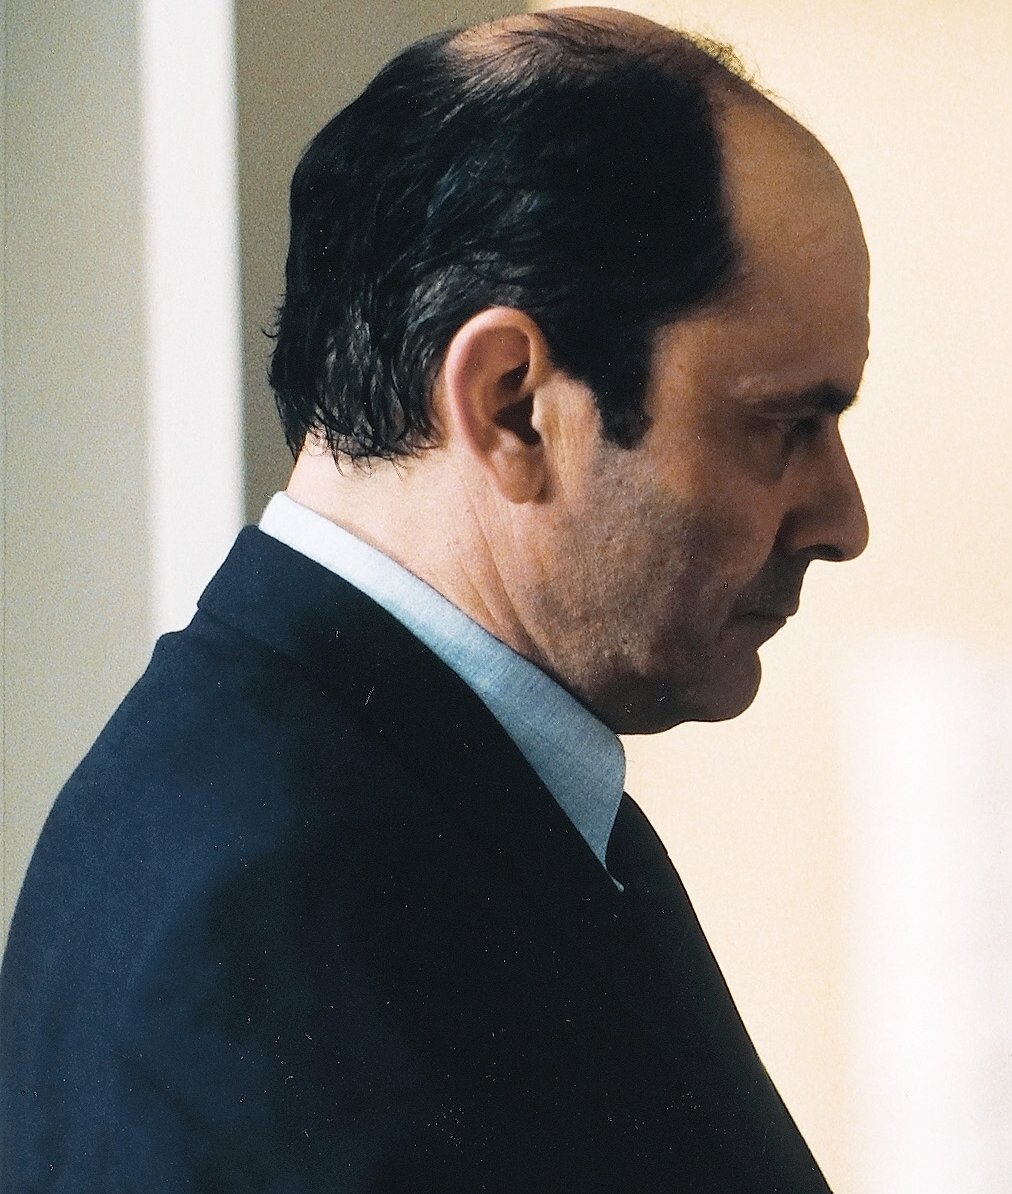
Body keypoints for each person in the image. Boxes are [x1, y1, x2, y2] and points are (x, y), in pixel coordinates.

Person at [1, 10, 865, 1190]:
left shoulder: (375, 796)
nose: (842, 520)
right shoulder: (288, 904)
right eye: (784, 424)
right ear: (511, 405)